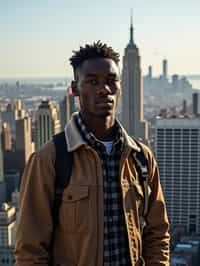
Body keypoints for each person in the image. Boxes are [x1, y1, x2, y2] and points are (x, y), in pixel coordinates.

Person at [15, 41, 170, 266]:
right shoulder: (49, 160)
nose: (103, 89)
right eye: (92, 81)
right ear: (75, 88)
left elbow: (158, 234)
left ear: (120, 85)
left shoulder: (141, 158)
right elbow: (30, 252)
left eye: (110, 81)